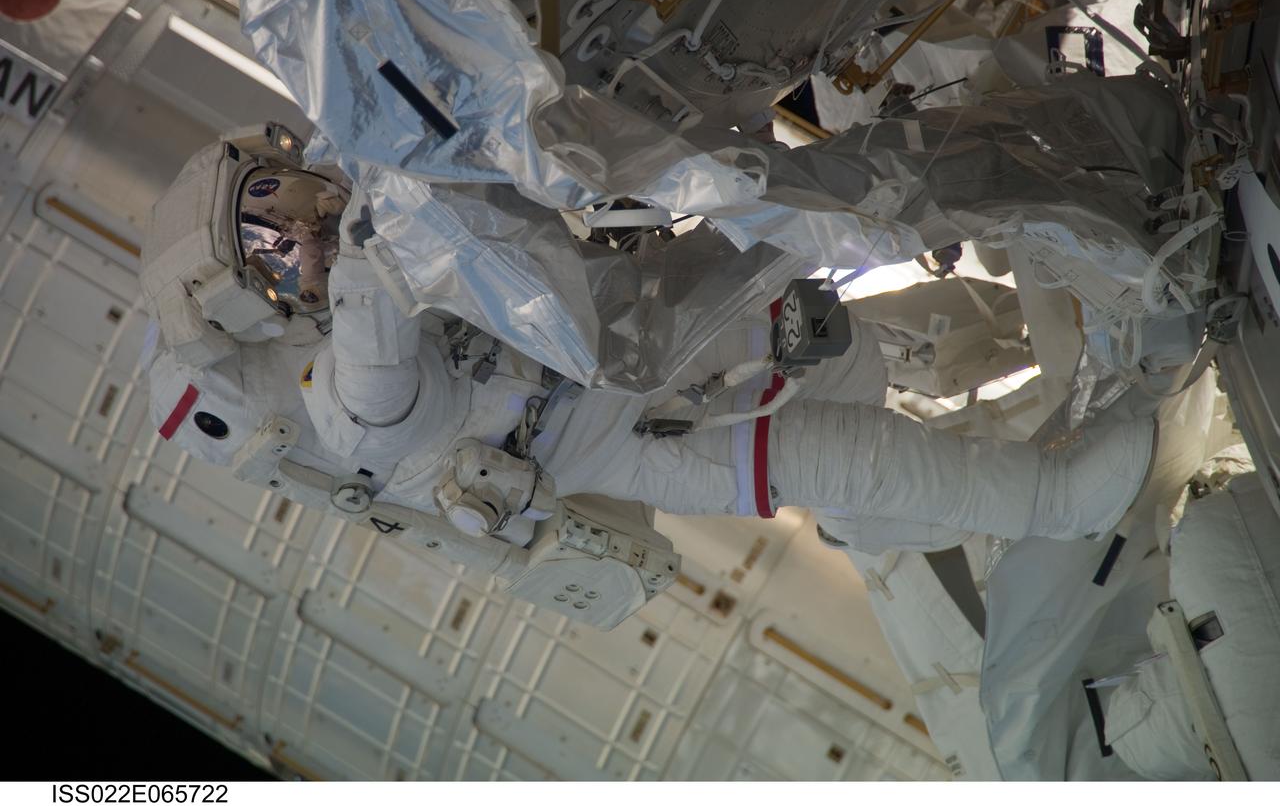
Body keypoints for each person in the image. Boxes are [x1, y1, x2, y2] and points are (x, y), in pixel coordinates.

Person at [140, 124, 1156, 570]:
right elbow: (371, 320)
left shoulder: (380, 273)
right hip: (632, 436)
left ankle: (873, 521)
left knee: (836, 341)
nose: (306, 237)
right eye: (274, 247)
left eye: (295, 207)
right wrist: (363, 203)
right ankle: (1057, 504)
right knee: (848, 454)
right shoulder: (351, 409)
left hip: (639, 339)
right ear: (250, 316)